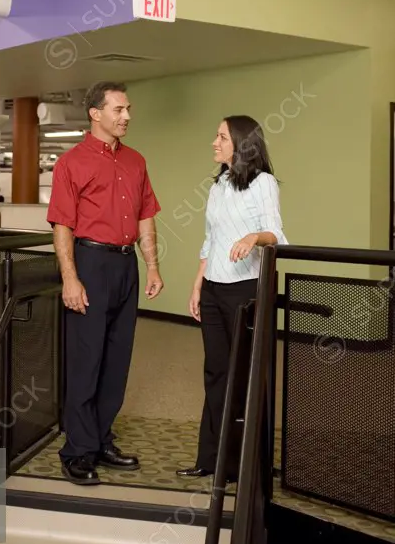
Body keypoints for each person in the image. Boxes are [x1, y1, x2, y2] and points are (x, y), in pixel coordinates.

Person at [47, 81, 164, 486]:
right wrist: (70, 278)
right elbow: (62, 225)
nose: (126, 116)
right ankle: (77, 450)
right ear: (96, 114)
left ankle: (100, 439)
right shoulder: (71, 163)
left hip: (126, 265)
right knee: (86, 360)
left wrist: (152, 266)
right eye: (118, 109)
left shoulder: (136, 161)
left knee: (116, 361)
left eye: (128, 108)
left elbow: (146, 215)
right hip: (90, 263)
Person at [178, 115, 287, 482]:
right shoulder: (218, 185)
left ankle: (250, 463)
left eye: (221, 136)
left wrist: (253, 238)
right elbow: (209, 241)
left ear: (241, 144)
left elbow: (277, 235)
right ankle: (211, 460)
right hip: (213, 288)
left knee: (245, 376)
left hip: (245, 290)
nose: (214, 142)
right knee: (216, 373)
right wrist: (197, 285)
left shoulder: (263, 183)